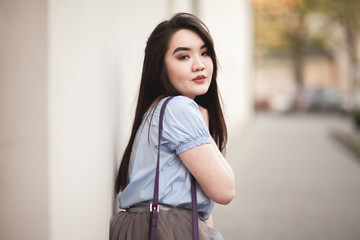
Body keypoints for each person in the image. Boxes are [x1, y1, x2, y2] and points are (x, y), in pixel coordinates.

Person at [110, 13, 235, 240]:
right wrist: (204, 129)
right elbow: (225, 190)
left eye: (205, 53)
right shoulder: (179, 108)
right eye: (184, 57)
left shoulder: (156, 110)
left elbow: (203, 210)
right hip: (168, 228)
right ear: (160, 67)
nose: (199, 65)